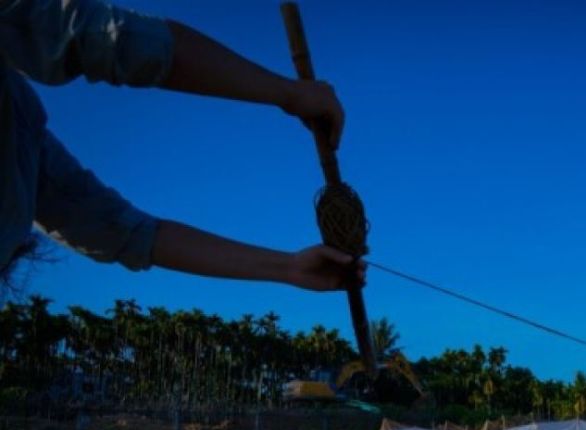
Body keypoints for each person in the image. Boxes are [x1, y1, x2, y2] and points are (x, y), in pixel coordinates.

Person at [1, 0, 364, 291]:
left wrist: (289, 267)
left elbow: (121, 230)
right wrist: (286, 93)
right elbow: (100, 39)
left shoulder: (21, 136)